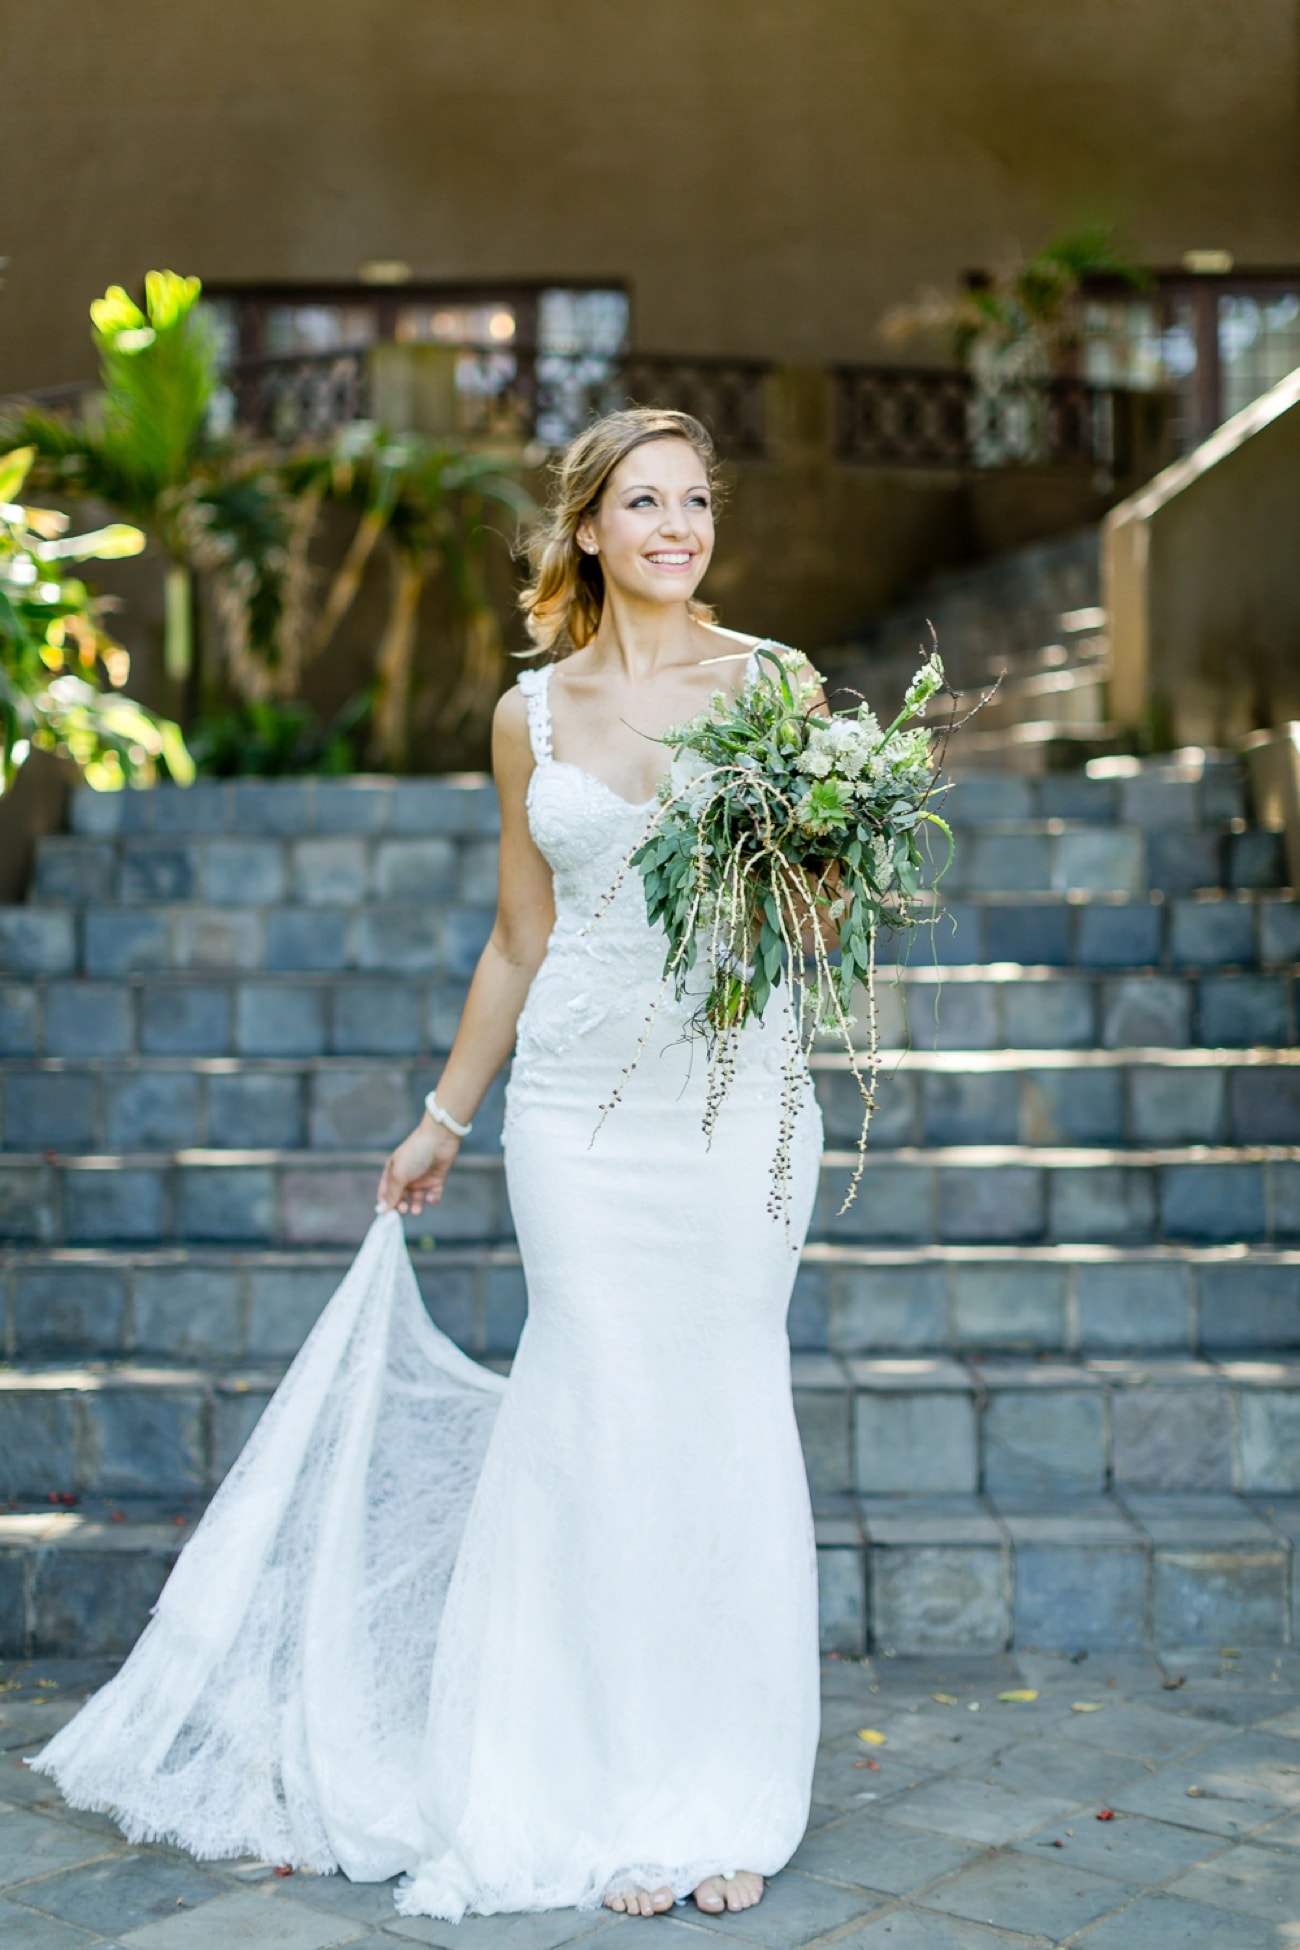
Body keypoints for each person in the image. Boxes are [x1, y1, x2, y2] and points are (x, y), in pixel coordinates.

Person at [34, 407, 826, 1923]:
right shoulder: (529, 716)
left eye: (698, 502)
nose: (678, 526)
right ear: (588, 529)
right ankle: (590, 1785)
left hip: (733, 1115)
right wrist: (446, 1117)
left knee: (722, 1415)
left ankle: (720, 1785)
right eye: (645, 503)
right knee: (593, 1409)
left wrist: (815, 875)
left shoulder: (778, 686)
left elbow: (812, 915)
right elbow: (522, 934)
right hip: (581, 1118)